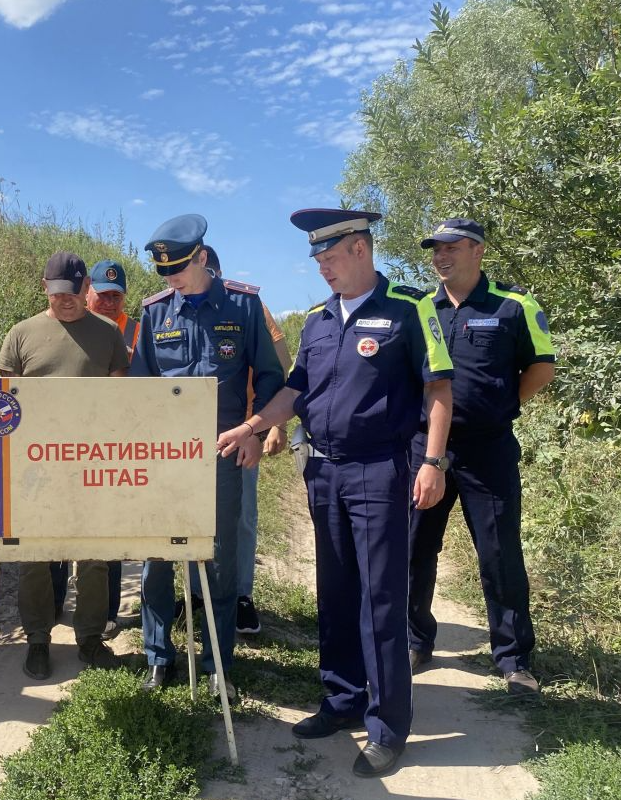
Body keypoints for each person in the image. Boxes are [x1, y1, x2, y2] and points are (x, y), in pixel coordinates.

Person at [217, 208, 454, 777]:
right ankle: (341, 697)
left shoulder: (410, 308)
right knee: (337, 591)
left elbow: (440, 390)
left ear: (361, 249)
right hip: (322, 471)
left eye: (329, 258)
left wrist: (433, 462)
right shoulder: (320, 320)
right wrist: (251, 427)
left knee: (380, 599)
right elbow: (296, 390)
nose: (322, 269)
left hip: (380, 470)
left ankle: (387, 726)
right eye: (317, 261)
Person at [129, 214, 285, 701]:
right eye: (163, 272)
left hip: (222, 450)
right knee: (157, 558)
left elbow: (271, 376)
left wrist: (259, 430)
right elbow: (139, 390)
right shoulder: (155, 313)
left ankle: (219, 661)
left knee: (219, 560)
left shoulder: (244, 304)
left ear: (201, 257)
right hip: (165, 458)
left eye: (177, 268)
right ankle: (159, 657)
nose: (170, 279)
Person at [408, 218, 555, 694]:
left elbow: (542, 366)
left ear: (478, 250)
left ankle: (513, 658)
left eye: (451, 247)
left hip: (486, 451)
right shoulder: (421, 310)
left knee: (498, 553)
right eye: (436, 249)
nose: (440, 256)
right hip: (425, 448)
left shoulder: (513, 305)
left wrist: (503, 405)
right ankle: (414, 640)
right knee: (413, 547)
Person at [0, 251, 130, 680]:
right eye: (57, 294)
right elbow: (1, 403)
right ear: (45, 287)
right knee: (36, 556)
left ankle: (90, 639)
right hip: (37, 470)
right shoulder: (21, 335)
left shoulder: (109, 334)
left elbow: (118, 404)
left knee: (93, 557)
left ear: (84, 288)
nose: (65, 301)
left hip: (93, 465)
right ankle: (38, 639)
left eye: (73, 293)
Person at [50, 259, 141, 639]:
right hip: (59, 447)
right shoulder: (65, 326)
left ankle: (105, 614)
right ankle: (54, 608)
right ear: (88, 292)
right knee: (54, 532)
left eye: (116, 296)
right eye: (102, 295)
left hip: (113, 446)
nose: (109, 302)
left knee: (107, 533)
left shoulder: (139, 330)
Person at [205, 244, 293, 635]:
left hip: (241, 432)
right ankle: (197, 595)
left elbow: (279, 365)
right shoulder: (175, 309)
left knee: (239, 517)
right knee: (196, 520)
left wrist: (272, 426)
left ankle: (240, 596)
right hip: (190, 440)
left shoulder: (248, 307)